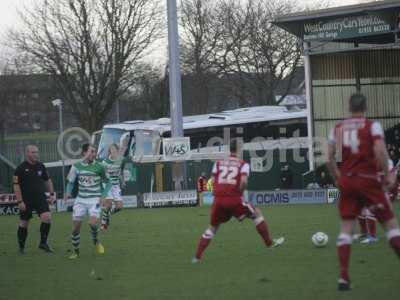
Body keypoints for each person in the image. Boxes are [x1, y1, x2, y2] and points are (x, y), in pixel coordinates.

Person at [327, 93, 400, 291]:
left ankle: (343, 277)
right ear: (365, 107)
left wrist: (337, 177)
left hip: (348, 181)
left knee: (345, 229)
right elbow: (380, 151)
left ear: (348, 107)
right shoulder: (372, 126)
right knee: (391, 225)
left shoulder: (338, 128)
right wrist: (388, 175)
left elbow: (328, 157)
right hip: (368, 179)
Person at [192, 140, 284, 263]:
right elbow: (244, 182)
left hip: (218, 200)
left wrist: (218, 192)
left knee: (213, 227)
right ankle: (269, 244)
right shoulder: (243, 164)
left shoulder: (218, 163)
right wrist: (238, 193)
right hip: (234, 198)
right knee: (256, 214)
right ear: (240, 149)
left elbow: (211, 182)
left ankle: (197, 257)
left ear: (230, 149)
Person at [65, 143, 111, 259]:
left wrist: (103, 196)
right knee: (75, 229)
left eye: (94, 151)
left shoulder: (100, 166)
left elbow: (109, 182)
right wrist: (67, 192)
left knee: (92, 223)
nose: (93, 154)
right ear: (84, 153)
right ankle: (76, 252)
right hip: (80, 200)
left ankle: (95, 240)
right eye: (91, 151)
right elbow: (70, 182)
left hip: (95, 199)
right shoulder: (76, 166)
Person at [13, 145, 56, 254]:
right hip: (26, 200)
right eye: (33, 152)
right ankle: (21, 248)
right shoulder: (20, 169)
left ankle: (43, 243)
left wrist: (51, 194)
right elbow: (16, 186)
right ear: (27, 153)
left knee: (47, 218)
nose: (36, 154)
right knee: (24, 223)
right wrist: (20, 201)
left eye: (37, 152)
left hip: (40, 198)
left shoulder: (41, 166)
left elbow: (48, 180)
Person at [100, 143, 128, 230]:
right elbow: (101, 175)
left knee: (119, 207)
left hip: (116, 185)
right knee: (108, 203)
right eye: (112, 150)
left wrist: (122, 181)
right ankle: (104, 224)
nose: (114, 152)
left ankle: (107, 215)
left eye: (115, 150)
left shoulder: (121, 160)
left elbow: (121, 171)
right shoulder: (104, 162)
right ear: (109, 152)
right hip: (107, 185)